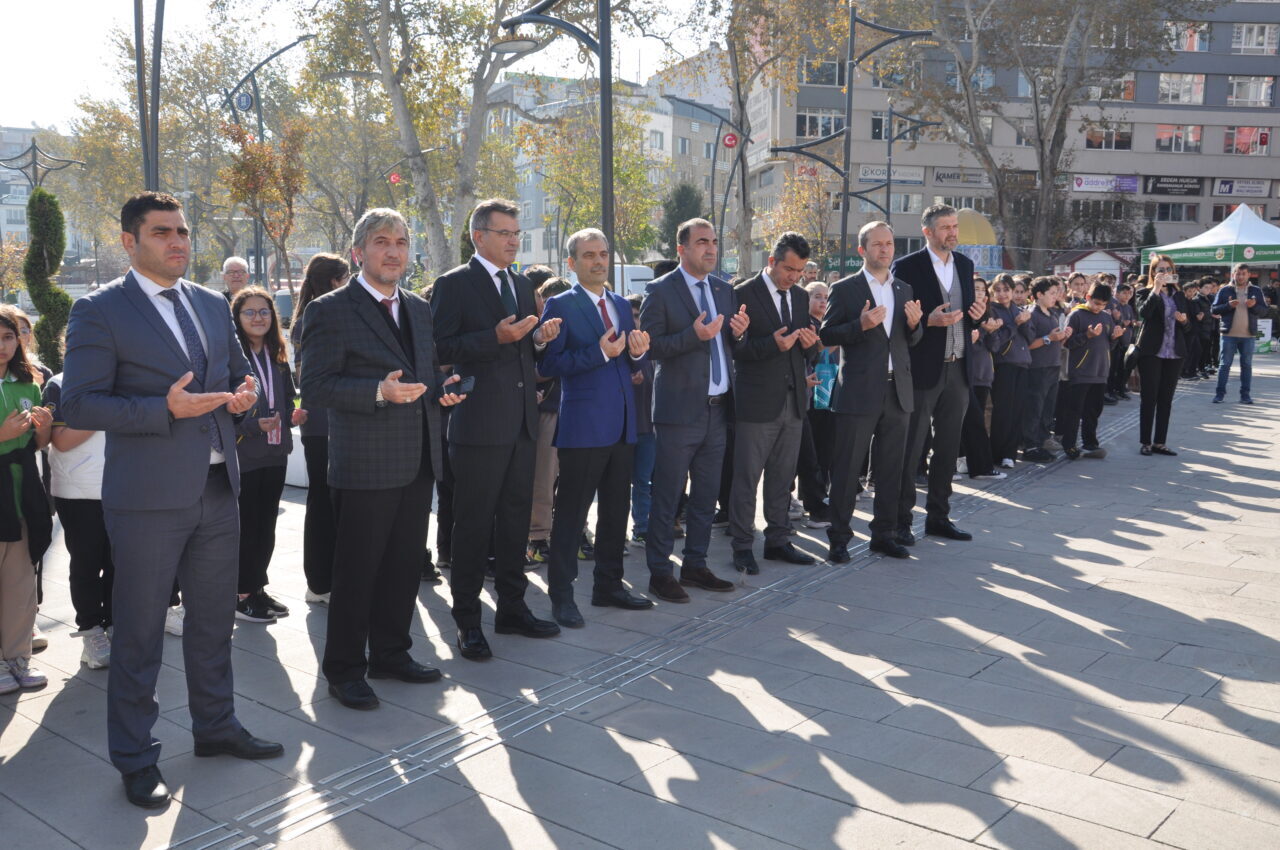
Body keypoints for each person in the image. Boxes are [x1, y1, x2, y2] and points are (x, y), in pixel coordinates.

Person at [61, 191, 280, 809]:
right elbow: (77, 405)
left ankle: (216, 728)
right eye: (162, 232)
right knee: (139, 634)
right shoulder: (99, 311)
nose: (179, 242)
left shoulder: (212, 303)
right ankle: (135, 756)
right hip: (148, 499)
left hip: (218, 489)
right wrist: (163, 407)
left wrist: (240, 396)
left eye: (183, 230)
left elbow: (238, 374)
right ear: (130, 241)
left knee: (213, 626)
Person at [301, 208, 466, 709]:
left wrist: (442, 391)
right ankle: (345, 668)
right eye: (381, 242)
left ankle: (392, 653)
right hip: (366, 464)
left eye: (400, 241)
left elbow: (421, 375)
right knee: (357, 572)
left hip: (418, 459)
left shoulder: (418, 307)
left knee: (400, 569)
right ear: (359, 252)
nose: (393, 251)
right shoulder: (330, 309)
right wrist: (377, 391)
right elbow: (313, 385)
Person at [430, 198, 562, 660]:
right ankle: (467, 620)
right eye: (505, 233)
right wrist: (494, 338)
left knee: (513, 524)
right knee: (472, 527)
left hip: (523, 422)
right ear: (478, 236)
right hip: (478, 425)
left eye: (516, 233)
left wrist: (538, 340)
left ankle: (512, 608)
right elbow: (440, 346)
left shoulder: (524, 285)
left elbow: (525, 353)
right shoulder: (455, 284)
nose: (513, 241)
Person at [537, 229, 653, 627]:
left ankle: (609, 585)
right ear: (571, 263)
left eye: (603, 253)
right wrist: (599, 352)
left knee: (616, 512)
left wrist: (638, 356)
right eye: (589, 255)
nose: (599, 261)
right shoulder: (560, 304)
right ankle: (562, 595)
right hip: (583, 427)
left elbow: (632, 363)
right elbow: (547, 366)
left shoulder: (620, 303)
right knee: (570, 515)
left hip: (623, 425)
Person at [640, 218, 749, 602]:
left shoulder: (724, 289)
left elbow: (730, 349)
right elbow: (652, 348)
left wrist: (739, 333)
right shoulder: (661, 290)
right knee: (668, 498)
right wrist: (694, 336)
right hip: (678, 413)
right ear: (681, 248)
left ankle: (696, 565)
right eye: (702, 241)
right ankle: (659, 572)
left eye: (715, 241)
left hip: (718, 411)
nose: (711, 248)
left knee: (705, 496)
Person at [820, 221, 923, 561]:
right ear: (862, 250)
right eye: (877, 244)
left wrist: (914, 325)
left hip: (898, 391)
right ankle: (838, 538)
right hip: (860, 392)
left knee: (892, 468)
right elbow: (827, 334)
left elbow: (910, 341)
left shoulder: (903, 289)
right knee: (847, 469)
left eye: (890, 244)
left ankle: (885, 534)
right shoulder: (846, 289)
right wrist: (859, 326)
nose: (885, 249)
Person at [727, 232, 821, 575]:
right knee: (747, 479)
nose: (794, 277)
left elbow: (805, 349)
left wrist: (811, 344)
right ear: (772, 261)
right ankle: (741, 545)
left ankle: (779, 540)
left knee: (782, 478)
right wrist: (771, 345)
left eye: (799, 271)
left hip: (793, 402)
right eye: (789, 269)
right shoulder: (741, 294)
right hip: (756, 403)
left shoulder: (799, 297)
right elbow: (733, 350)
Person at [889, 204, 983, 546]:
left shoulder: (965, 264)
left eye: (955, 226)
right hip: (922, 370)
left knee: (947, 447)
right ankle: (901, 521)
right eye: (945, 227)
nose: (952, 233)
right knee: (911, 450)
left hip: (958, 367)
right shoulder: (907, 267)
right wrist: (927, 321)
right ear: (927, 231)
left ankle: (939, 517)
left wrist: (978, 314)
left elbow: (968, 316)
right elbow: (897, 321)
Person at [231, 287, 306, 623]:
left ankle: (257, 587)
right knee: (247, 527)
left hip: (276, 452)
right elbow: (223, 411)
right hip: (246, 453)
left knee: (265, 527)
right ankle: (241, 594)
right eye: (250, 312)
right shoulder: (232, 358)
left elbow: (287, 397)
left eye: (264, 312)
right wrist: (253, 424)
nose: (258, 318)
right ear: (237, 318)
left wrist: (293, 414)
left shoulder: (277, 353)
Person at [44, 366, 114, 669]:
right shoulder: (58, 384)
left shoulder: (122, 378)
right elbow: (60, 440)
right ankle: (91, 632)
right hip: (77, 491)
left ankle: (115, 626)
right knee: (86, 563)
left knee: (119, 563)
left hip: (122, 487)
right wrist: (107, 413)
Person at [290, 252, 349, 605]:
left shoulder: (305, 316)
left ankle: (323, 579)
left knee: (324, 502)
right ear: (334, 282)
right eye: (347, 276)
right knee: (325, 502)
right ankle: (321, 582)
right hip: (325, 421)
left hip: (321, 421)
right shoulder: (323, 315)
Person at [0, 305, 53, 695]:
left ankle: (18, 660)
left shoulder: (28, 383)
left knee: (20, 586)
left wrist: (44, 431)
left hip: (22, 496)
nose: (2, 345)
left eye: (7, 337)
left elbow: (37, 445)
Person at [527, 277, 572, 566]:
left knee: (571, 478)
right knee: (543, 479)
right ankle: (537, 536)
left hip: (576, 411)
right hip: (547, 412)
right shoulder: (535, 333)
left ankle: (573, 532)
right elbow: (532, 371)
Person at [1059, 282, 1123, 460]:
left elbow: (1108, 345)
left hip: (1100, 372)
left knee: (1093, 411)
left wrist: (1115, 338)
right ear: (1087, 297)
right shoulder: (1076, 315)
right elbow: (1067, 343)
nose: (1099, 308)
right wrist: (1087, 335)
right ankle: (1069, 444)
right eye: (1096, 303)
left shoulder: (1106, 317)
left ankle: (1090, 443)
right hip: (1080, 372)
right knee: (1074, 411)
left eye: (1103, 305)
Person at [1134, 255, 1190, 455]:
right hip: (1152, 352)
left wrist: (1183, 321)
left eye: (1168, 269)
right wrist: (1156, 289)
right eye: (1160, 269)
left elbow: (1188, 327)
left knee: (1166, 399)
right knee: (1149, 398)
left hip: (1174, 352)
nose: (1165, 273)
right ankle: (1146, 442)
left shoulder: (1179, 295)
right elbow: (1144, 313)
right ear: (1153, 272)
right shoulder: (1144, 292)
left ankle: (1159, 442)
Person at [986, 274, 1032, 469]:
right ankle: (997, 452)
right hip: (1003, 364)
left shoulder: (1019, 309)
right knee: (1002, 411)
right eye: (998, 290)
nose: (1002, 294)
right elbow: (996, 342)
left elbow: (1030, 336)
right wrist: (1015, 324)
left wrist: (1026, 321)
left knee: (1018, 410)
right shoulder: (992, 311)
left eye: (1006, 290)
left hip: (1023, 363)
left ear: (1013, 291)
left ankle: (1010, 454)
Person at [1023, 277, 1072, 462]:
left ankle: (1042, 441)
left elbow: (1053, 339)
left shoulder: (1051, 313)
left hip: (1053, 366)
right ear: (1039, 295)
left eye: (1057, 292)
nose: (1055, 296)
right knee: (1034, 408)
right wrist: (1048, 338)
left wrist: (1063, 336)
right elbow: (1028, 344)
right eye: (1051, 293)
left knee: (1047, 409)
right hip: (1038, 368)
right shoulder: (1033, 314)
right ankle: (1030, 445)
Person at [1212, 262, 1268, 405]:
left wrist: (1254, 306)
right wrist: (1228, 306)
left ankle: (1245, 396)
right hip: (1228, 335)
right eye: (1238, 273)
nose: (1241, 276)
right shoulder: (1225, 290)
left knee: (1247, 366)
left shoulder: (1256, 290)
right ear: (1233, 274)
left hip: (1248, 336)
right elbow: (1214, 310)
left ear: (1249, 275)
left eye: (1244, 273)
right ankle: (1219, 394)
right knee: (1224, 365)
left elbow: (1264, 311)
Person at [627, 293, 656, 543]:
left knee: (643, 481)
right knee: (616, 485)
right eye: (632, 316)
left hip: (649, 427)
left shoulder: (652, 346)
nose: (636, 321)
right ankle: (614, 533)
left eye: (639, 316)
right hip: (622, 429)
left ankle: (642, 527)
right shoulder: (616, 347)